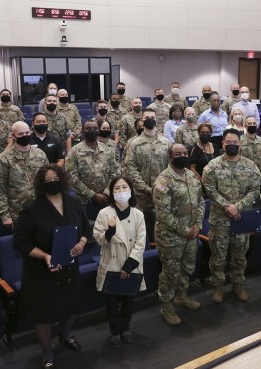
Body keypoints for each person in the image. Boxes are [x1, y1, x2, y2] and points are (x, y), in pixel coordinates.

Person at [13, 164, 91, 368]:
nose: (52, 183)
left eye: (55, 179)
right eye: (47, 181)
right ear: (41, 184)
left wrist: (82, 243)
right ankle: (47, 352)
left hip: (69, 265)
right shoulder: (32, 209)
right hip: (42, 270)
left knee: (71, 304)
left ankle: (66, 335)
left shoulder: (73, 202)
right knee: (44, 312)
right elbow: (20, 243)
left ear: (62, 180)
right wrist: (45, 256)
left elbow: (86, 229)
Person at [202, 128, 261, 303]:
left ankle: (238, 285)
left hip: (241, 219)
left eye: (235, 142)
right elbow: (210, 190)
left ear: (240, 144)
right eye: (228, 143)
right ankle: (218, 288)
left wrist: (238, 207)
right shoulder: (212, 167)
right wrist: (228, 206)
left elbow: (254, 190)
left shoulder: (250, 166)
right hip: (220, 220)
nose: (232, 145)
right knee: (218, 258)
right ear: (223, 144)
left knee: (240, 256)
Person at [153, 144, 205, 326]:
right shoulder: (163, 181)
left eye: (185, 153)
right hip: (171, 237)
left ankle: (181, 297)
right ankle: (166, 307)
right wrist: (186, 230)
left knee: (187, 267)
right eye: (178, 154)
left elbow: (200, 202)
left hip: (192, 233)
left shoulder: (191, 176)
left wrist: (198, 226)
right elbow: (163, 214)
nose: (183, 156)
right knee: (170, 273)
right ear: (170, 156)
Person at [93, 175, 146, 347]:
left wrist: (129, 265)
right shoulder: (104, 213)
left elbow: (141, 242)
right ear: (111, 192)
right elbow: (99, 239)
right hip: (111, 264)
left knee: (129, 302)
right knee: (112, 303)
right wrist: (110, 230)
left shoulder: (138, 214)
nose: (121, 191)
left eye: (124, 187)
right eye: (117, 188)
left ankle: (126, 328)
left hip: (131, 265)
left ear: (130, 190)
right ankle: (115, 331)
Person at [0, 121, 49, 232]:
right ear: (13, 136)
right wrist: (5, 216)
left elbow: (47, 181)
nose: (25, 136)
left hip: (41, 209)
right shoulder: (4, 159)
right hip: (17, 213)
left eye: (27, 133)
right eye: (21, 134)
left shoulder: (40, 154)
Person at [124, 108, 171, 241]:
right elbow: (131, 169)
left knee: (161, 228)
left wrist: (160, 188)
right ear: (142, 120)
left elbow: (170, 167)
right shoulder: (134, 143)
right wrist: (146, 188)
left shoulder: (166, 142)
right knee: (141, 229)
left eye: (152, 117)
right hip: (141, 195)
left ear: (156, 120)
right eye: (147, 117)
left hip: (162, 192)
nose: (150, 119)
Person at [66, 120, 121, 220]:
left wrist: (106, 192)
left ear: (98, 131)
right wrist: (92, 195)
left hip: (106, 199)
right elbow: (71, 177)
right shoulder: (74, 152)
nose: (92, 130)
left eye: (95, 128)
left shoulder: (107, 150)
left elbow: (115, 172)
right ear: (82, 132)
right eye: (88, 128)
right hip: (84, 201)